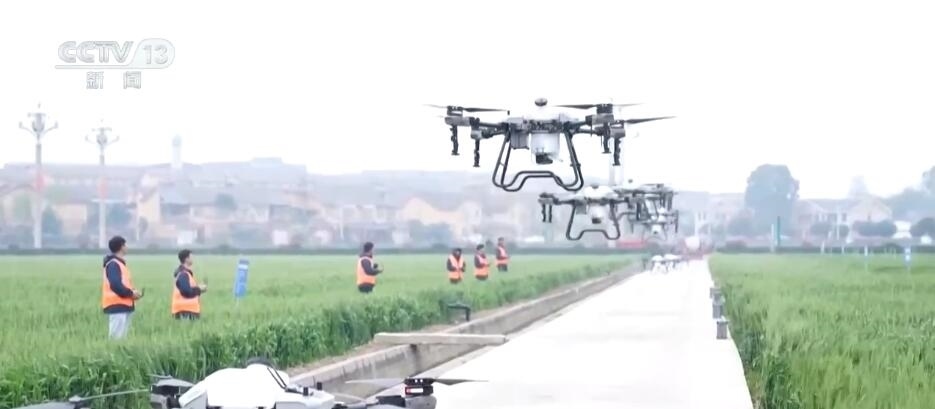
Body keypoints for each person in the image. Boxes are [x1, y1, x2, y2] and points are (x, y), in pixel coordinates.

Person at [101, 235, 142, 340]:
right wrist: (131, 293)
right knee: (116, 339)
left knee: (122, 339)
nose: (126, 247)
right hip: (117, 306)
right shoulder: (113, 264)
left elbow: (123, 284)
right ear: (121, 247)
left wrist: (133, 292)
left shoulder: (119, 264)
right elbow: (115, 284)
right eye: (125, 245)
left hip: (124, 305)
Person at [172, 249, 207, 320]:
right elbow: (186, 291)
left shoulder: (185, 274)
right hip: (185, 311)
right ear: (186, 259)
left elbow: (188, 289)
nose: (193, 258)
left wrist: (199, 289)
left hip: (187, 310)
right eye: (191, 257)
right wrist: (199, 289)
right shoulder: (183, 274)